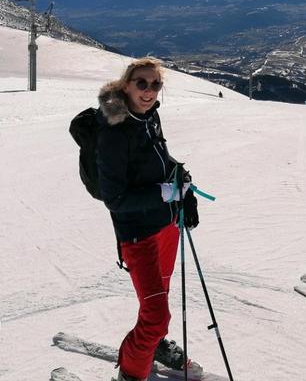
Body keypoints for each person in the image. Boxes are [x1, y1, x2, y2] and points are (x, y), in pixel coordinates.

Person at [96, 57, 200, 381]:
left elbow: (161, 159)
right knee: (156, 317)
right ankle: (129, 371)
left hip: (166, 227)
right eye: (142, 83)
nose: (149, 90)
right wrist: (166, 193)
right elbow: (114, 198)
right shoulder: (114, 132)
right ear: (126, 85)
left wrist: (184, 184)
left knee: (157, 304)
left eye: (156, 84)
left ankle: (153, 346)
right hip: (138, 235)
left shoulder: (149, 118)